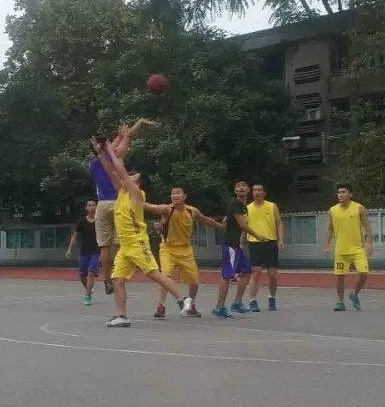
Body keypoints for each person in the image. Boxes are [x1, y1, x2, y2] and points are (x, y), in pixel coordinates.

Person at [91, 137, 192, 328]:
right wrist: (101, 152)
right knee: (117, 280)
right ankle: (121, 316)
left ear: (137, 182)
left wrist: (110, 150)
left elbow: (119, 170)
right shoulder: (122, 192)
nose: (130, 176)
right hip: (125, 245)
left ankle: (183, 299)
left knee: (153, 273)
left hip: (137, 242)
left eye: (134, 175)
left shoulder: (136, 194)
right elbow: (111, 171)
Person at [89, 118, 159, 296]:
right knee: (121, 243)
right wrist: (137, 125)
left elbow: (110, 147)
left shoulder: (94, 164)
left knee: (104, 246)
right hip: (119, 203)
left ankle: (107, 280)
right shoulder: (115, 160)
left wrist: (117, 138)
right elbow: (127, 137)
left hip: (102, 204)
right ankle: (121, 273)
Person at [144, 187, 225, 319]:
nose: (175, 195)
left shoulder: (191, 211)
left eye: (178, 193)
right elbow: (152, 207)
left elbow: (205, 220)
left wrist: (221, 227)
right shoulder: (167, 209)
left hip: (186, 249)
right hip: (168, 248)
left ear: (184, 196)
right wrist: (136, 198)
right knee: (165, 276)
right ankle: (161, 306)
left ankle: (190, 306)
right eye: (173, 193)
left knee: (194, 280)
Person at [213, 180, 267, 318]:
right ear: (235, 190)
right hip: (230, 245)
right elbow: (243, 225)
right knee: (227, 276)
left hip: (236, 245)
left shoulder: (243, 207)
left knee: (246, 271)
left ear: (248, 189)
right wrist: (257, 236)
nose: (241, 188)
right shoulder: (235, 204)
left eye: (243, 186)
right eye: (238, 186)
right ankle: (219, 307)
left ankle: (237, 303)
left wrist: (239, 240)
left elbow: (225, 221)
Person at [324, 183, 373, 311]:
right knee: (340, 277)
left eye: (343, 192)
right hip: (341, 250)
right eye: (339, 192)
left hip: (358, 249)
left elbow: (367, 225)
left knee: (364, 273)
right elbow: (329, 229)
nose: (341, 195)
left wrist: (369, 243)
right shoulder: (332, 210)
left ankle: (354, 294)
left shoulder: (359, 208)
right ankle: (340, 302)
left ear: (350, 194)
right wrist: (326, 245)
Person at [245, 184, 284, 312]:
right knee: (256, 272)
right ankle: (252, 301)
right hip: (254, 243)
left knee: (272, 274)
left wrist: (280, 240)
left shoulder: (272, 206)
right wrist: (240, 243)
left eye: (259, 190)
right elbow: (244, 226)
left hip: (270, 242)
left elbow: (279, 223)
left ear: (264, 193)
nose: (257, 192)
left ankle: (272, 297)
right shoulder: (247, 208)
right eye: (255, 190)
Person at [66, 198, 101, 305]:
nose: (91, 207)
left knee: (91, 273)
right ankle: (88, 289)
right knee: (82, 275)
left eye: (93, 205)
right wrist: (70, 249)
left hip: (96, 251)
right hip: (84, 251)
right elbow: (75, 236)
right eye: (89, 205)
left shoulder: (100, 220)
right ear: (86, 208)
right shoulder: (82, 221)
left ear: (96, 207)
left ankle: (87, 295)